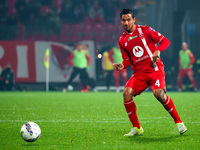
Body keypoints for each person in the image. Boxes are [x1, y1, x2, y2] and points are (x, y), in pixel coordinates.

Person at [113, 8, 187, 136]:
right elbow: (127, 61)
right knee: (126, 93)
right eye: (123, 20)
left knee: (159, 94)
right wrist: (122, 66)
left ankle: (179, 123)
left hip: (154, 69)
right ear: (121, 21)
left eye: (129, 19)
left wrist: (158, 50)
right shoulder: (122, 40)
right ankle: (136, 128)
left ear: (134, 19)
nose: (126, 23)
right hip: (139, 74)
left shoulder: (145, 30)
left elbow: (165, 41)